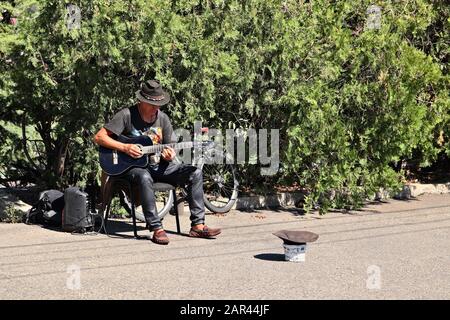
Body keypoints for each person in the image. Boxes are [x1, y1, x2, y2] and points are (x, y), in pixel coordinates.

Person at [93, 79, 221, 245]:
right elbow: (99, 137)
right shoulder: (126, 115)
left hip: (159, 166)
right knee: (144, 176)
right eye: (152, 104)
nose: (156, 108)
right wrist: (125, 147)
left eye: (159, 104)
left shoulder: (163, 119)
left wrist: (169, 155)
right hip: (132, 168)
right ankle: (156, 228)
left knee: (194, 173)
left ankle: (198, 225)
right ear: (142, 101)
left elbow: (170, 147)